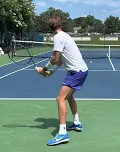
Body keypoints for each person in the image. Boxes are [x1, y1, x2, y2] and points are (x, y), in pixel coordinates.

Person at [36, 16, 89, 146]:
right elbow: (60, 60)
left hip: (76, 72)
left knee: (60, 99)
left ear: (50, 28)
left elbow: (55, 58)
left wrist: (44, 69)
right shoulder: (64, 35)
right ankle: (76, 122)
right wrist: (51, 72)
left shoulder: (58, 37)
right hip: (82, 70)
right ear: (60, 25)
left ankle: (62, 133)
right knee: (68, 97)